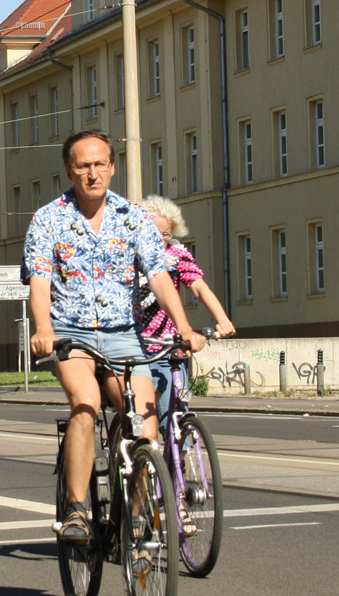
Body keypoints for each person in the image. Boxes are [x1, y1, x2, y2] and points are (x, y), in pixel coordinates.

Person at [22, 129, 207, 542]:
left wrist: (184, 328)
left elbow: (159, 276)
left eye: (100, 164)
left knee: (143, 422)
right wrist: (44, 328)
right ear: (70, 170)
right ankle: (77, 511)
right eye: (83, 166)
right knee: (86, 403)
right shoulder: (48, 219)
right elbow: (39, 281)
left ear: (112, 167)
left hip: (124, 332)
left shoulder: (134, 218)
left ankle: (137, 521)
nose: (93, 173)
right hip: (71, 333)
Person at [136, 194, 236, 435]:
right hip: (135, 347)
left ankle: (180, 462)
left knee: (176, 419)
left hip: (168, 347)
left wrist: (222, 319)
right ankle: (139, 459)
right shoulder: (129, 256)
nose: (160, 239)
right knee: (139, 420)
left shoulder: (177, 255)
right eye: (154, 232)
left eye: (166, 234)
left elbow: (199, 287)